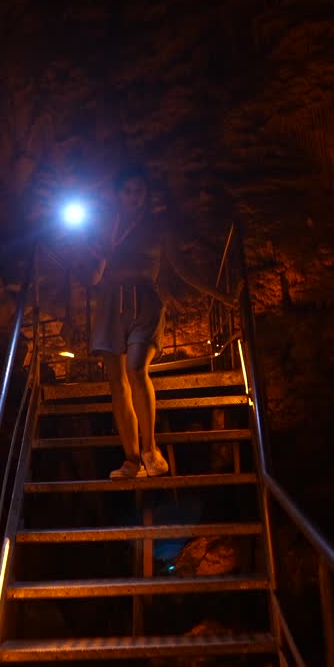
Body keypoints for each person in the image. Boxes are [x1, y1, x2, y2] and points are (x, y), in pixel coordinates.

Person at [87, 165, 230, 480]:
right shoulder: (103, 228)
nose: (133, 197)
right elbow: (91, 278)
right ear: (118, 194)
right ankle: (131, 460)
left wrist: (220, 294)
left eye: (138, 191)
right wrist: (101, 255)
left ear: (146, 194)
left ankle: (150, 450)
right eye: (128, 191)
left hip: (146, 302)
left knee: (136, 369)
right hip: (111, 303)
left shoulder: (158, 227)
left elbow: (182, 268)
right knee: (117, 382)